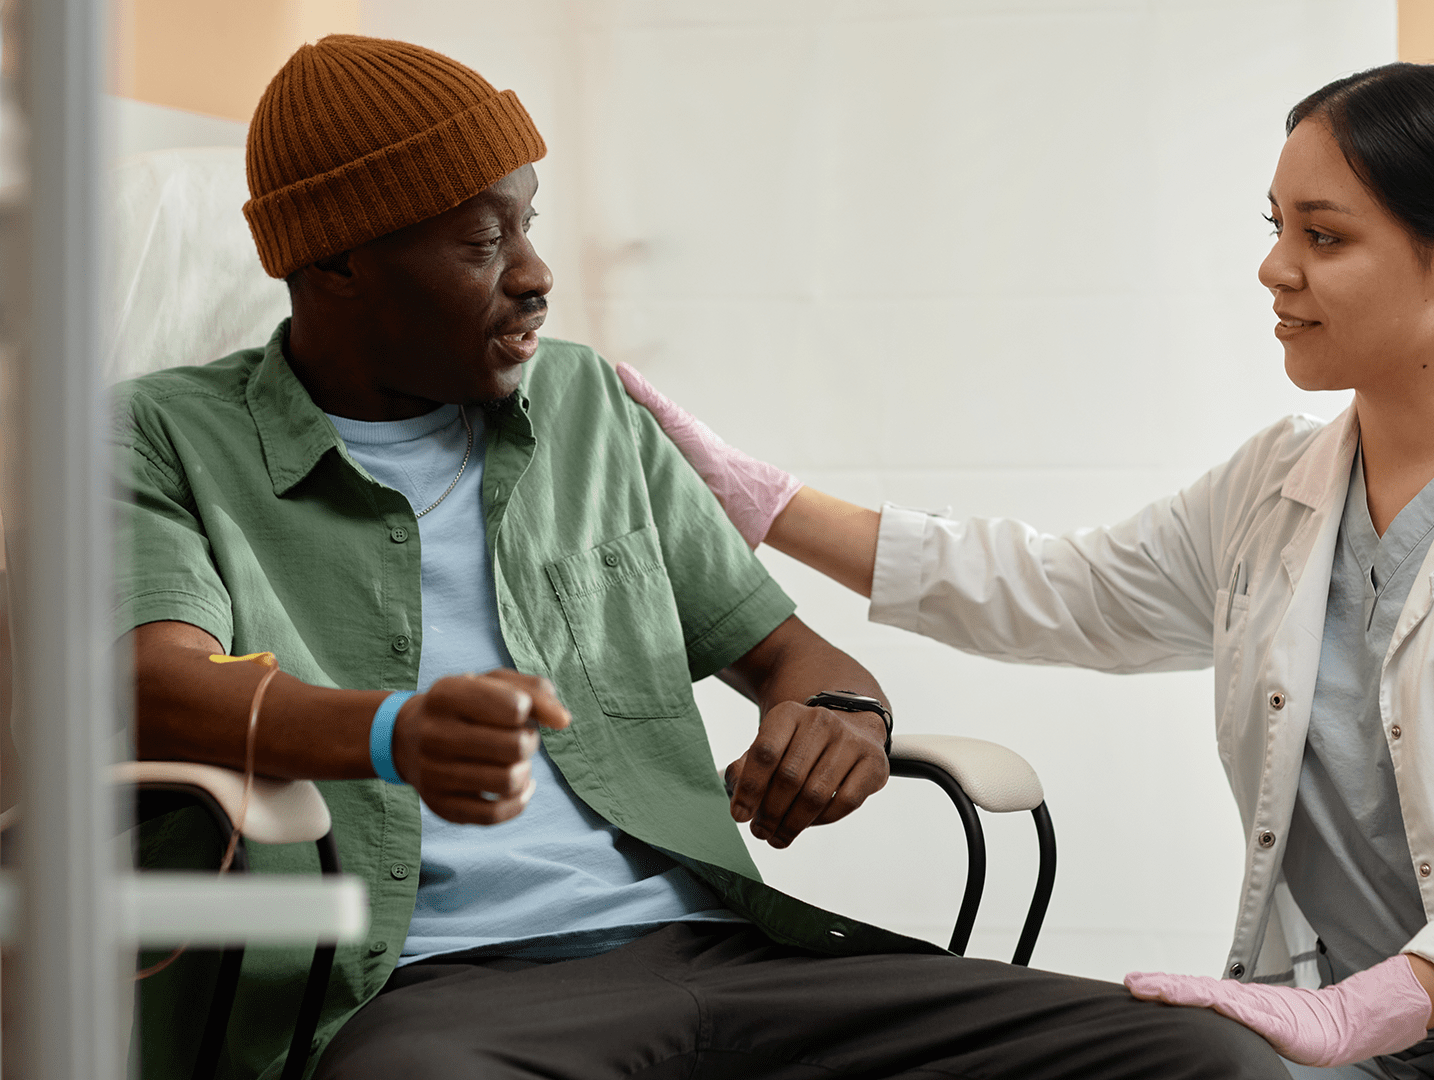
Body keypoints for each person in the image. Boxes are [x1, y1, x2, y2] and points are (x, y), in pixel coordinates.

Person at [621, 63, 1434, 1080]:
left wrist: (1373, 1008)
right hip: (1372, 1046)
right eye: (1278, 229)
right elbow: (1056, 590)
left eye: (1325, 237)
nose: (1276, 269)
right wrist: (768, 505)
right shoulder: (1277, 488)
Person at [118, 34, 1293, 1080]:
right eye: (484, 238)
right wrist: (392, 733)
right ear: (335, 266)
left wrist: (841, 714)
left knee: (1199, 1056)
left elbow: (789, 653)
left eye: (526, 219)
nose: (534, 270)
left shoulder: (580, 403)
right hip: (441, 995)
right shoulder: (161, 434)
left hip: (724, 946)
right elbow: (147, 687)